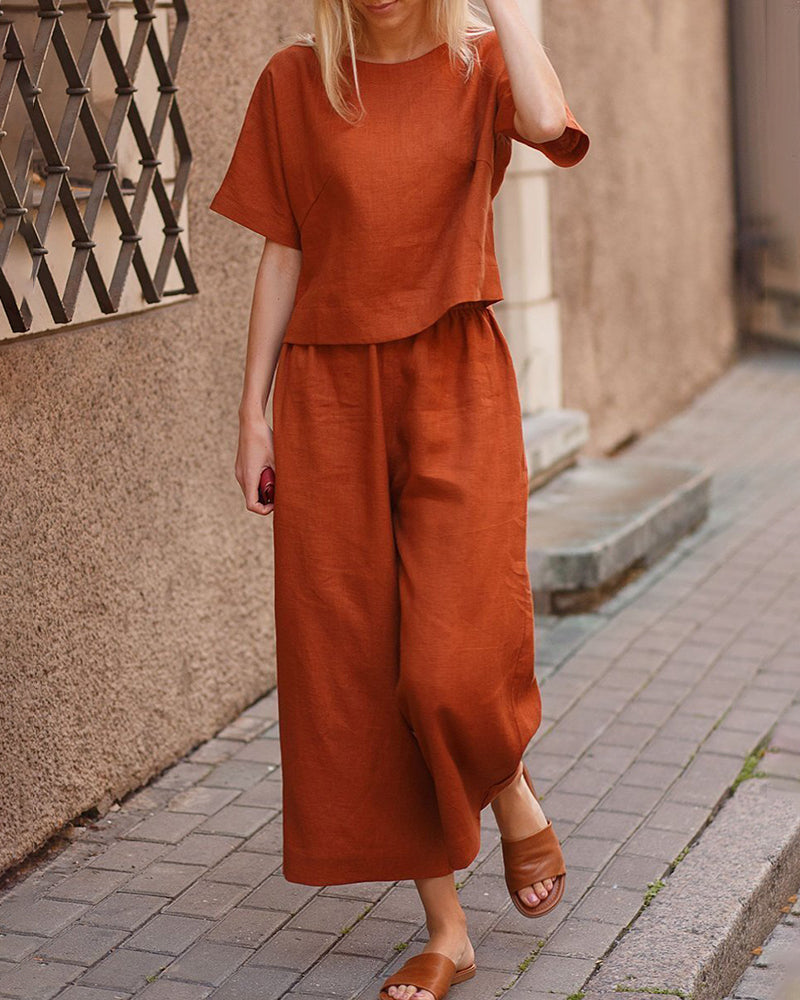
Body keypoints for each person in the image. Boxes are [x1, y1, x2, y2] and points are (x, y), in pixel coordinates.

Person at [210, 1, 589, 997]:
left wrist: (504, 12)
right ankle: (445, 930)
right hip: (328, 392)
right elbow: (282, 250)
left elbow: (550, 129)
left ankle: (505, 785)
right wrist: (252, 411)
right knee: (360, 663)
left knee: (446, 665)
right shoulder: (295, 81)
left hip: (451, 375)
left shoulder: (476, 67)